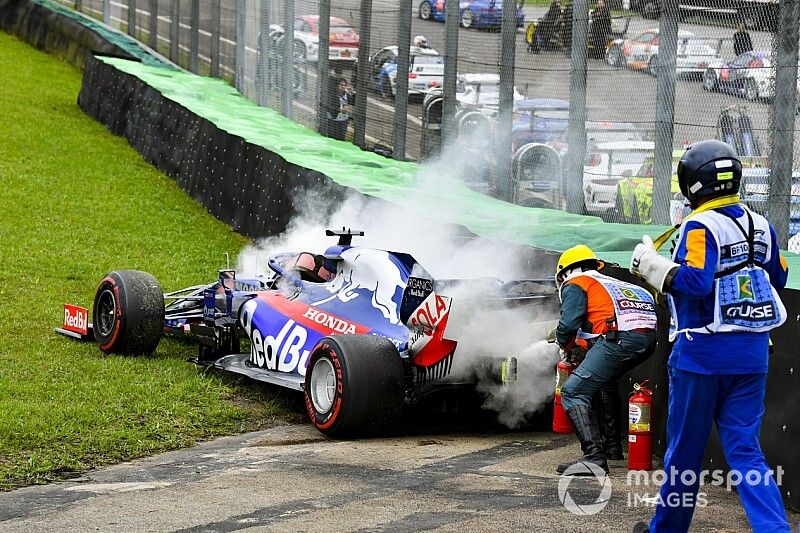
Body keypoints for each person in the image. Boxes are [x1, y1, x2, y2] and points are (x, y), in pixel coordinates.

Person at [629, 139, 790, 533]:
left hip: (701, 355)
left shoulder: (700, 225)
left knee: (684, 452)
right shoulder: (762, 224)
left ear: (691, 185)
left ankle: (665, 530)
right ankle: (775, 529)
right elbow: (779, 277)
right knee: (746, 451)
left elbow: (697, 283)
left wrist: (653, 267)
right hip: (753, 354)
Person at [554, 245, 657, 475]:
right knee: (605, 382)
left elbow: (569, 324)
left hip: (618, 339)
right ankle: (612, 448)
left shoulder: (576, 282)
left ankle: (593, 457)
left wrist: (564, 344)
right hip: (648, 340)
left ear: (565, 272)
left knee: (573, 391)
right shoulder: (615, 284)